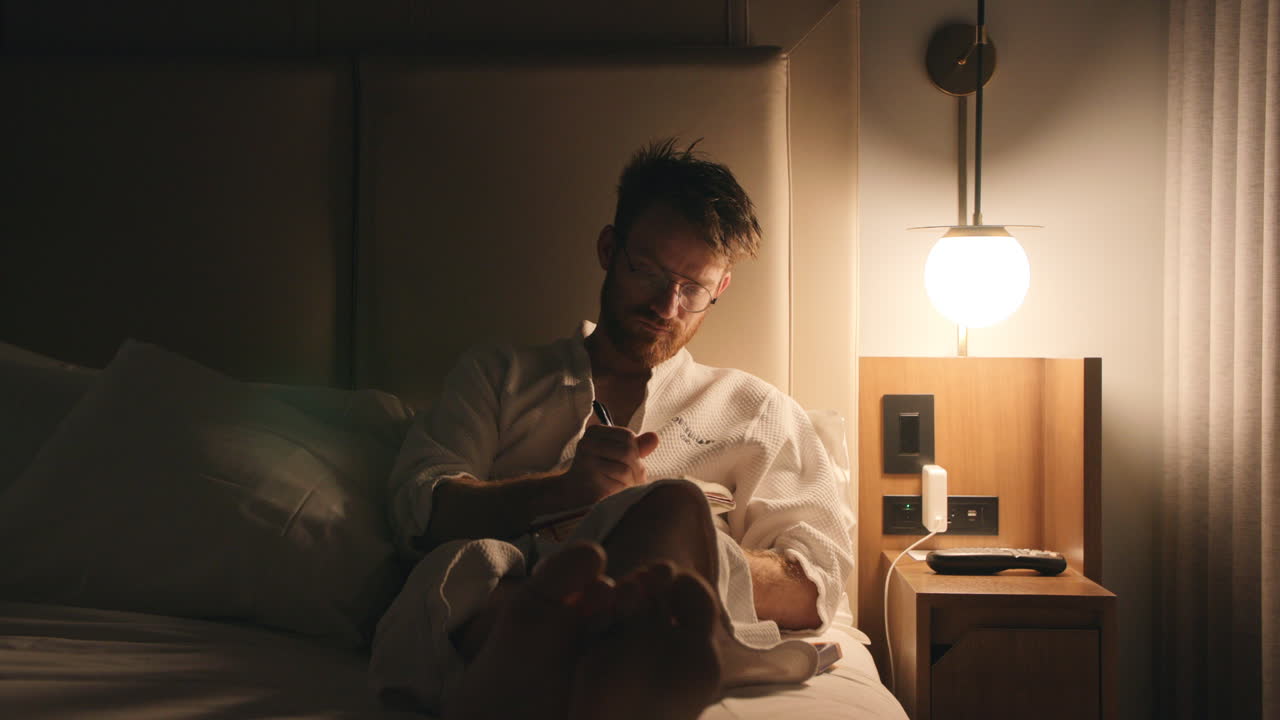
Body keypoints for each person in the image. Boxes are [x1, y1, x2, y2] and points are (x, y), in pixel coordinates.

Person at [369, 139, 854, 720]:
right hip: (513, 593)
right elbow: (416, 513)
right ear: (609, 248)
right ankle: (587, 651)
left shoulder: (757, 410)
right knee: (473, 577)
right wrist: (562, 493)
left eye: (693, 287)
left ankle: (575, 654)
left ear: (719, 287)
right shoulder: (499, 376)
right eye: (648, 271)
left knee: (672, 506)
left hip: (660, 606)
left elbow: (817, 582)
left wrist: (668, 541)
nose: (667, 306)